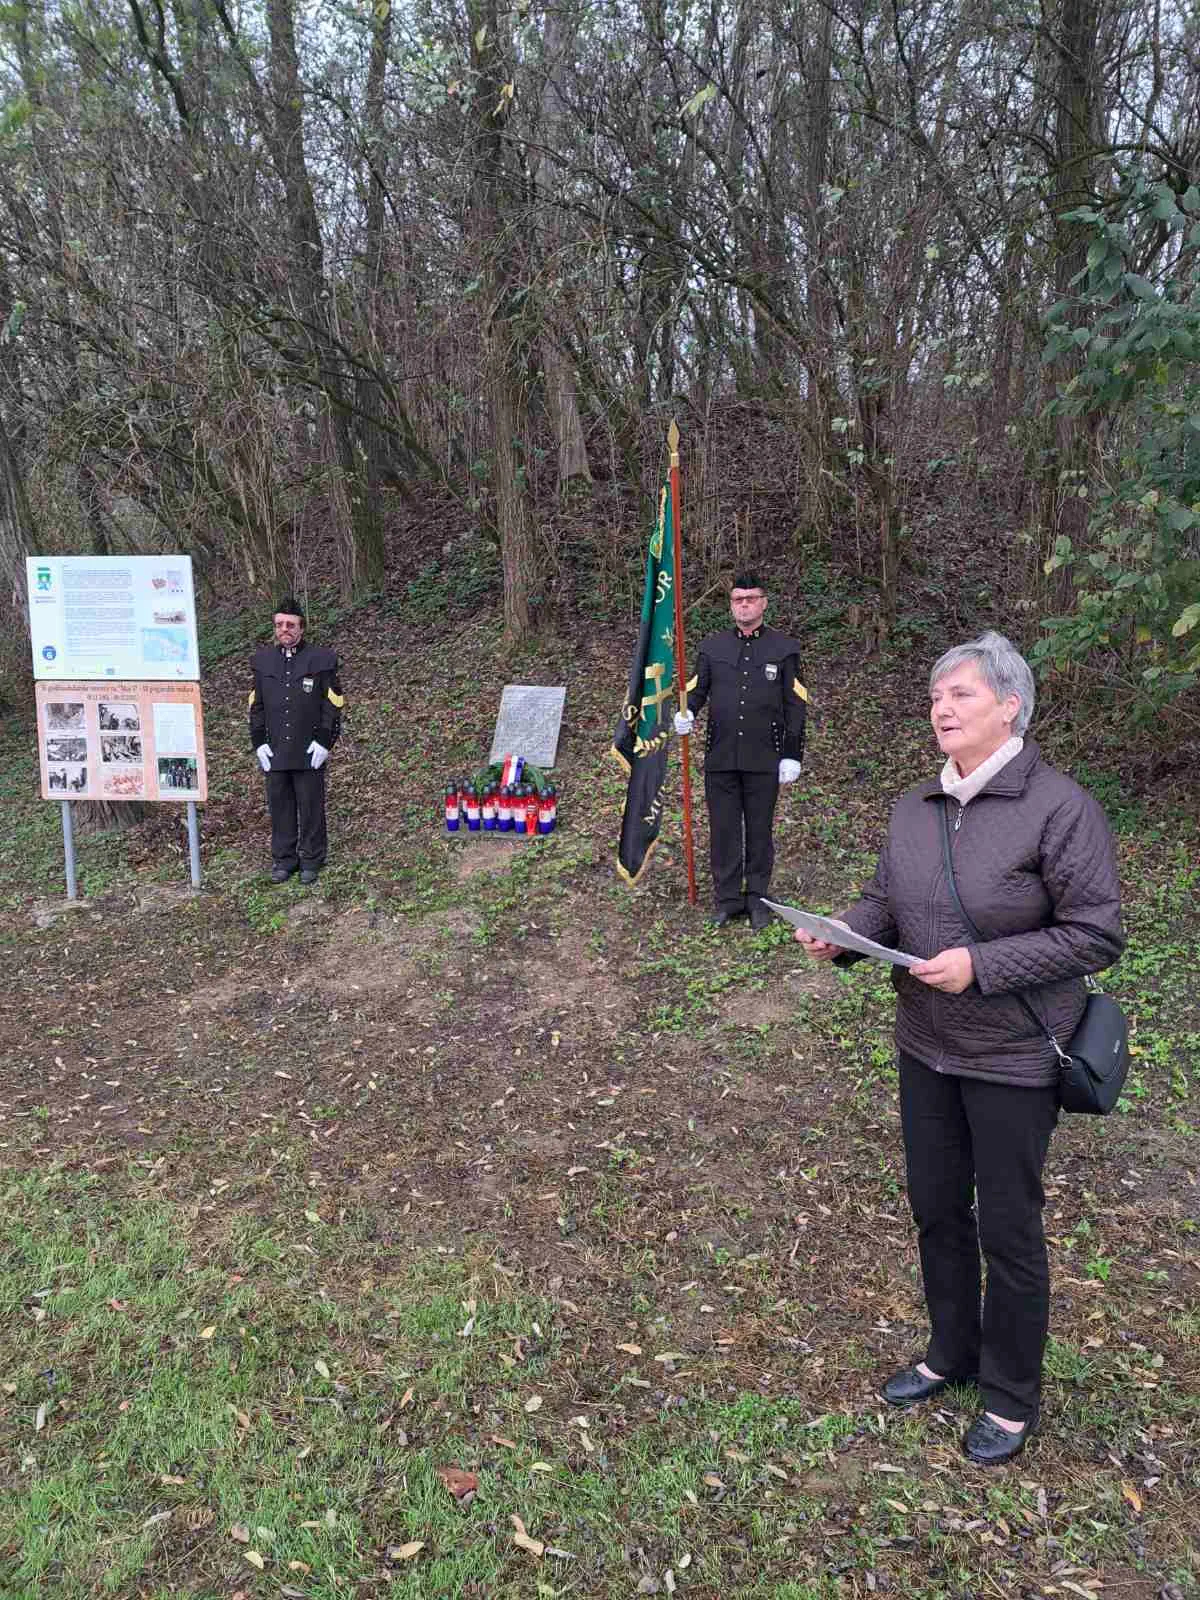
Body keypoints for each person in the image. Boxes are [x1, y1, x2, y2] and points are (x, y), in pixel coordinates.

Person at [794, 631, 1123, 1463]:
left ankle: (1012, 1396)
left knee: (1009, 1229)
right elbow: (884, 899)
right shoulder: (916, 806)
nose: (942, 709)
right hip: (926, 1047)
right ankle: (952, 1353)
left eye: (962, 696)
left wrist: (981, 965)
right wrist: (845, 935)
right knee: (938, 1210)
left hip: (1013, 1056)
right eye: (937, 697)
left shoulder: (1060, 808)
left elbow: (1094, 935)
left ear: (1010, 707)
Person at [673, 572, 807, 929]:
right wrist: (685, 712)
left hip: (764, 757)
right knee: (724, 830)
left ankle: (758, 899)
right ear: (731, 605)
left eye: (751, 598)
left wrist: (792, 753)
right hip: (721, 757)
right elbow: (696, 690)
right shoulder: (713, 647)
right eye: (738, 599)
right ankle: (728, 899)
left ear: (764, 603)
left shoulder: (784, 649)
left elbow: (796, 704)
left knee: (760, 830)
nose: (744, 604)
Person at [248, 598, 344, 885]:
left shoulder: (322, 659)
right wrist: (258, 742)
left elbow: (333, 703)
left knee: (311, 804)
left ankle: (312, 858)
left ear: (302, 627)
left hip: (308, 748)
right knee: (280, 805)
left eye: (290, 624)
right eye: (279, 624)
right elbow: (256, 705)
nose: (284, 629)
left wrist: (325, 741)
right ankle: (284, 859)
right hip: (275, 749)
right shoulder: (263, 662)